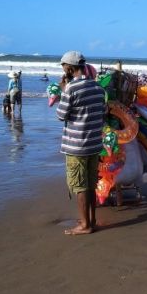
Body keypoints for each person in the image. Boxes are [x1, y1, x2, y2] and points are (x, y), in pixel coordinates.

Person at [56, 51, 105, 235]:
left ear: (69, 68)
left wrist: (63, 90)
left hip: (77, 146)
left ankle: (85, 225)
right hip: (94, 144)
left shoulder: (71, 89)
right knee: (91, 185)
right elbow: (101, 115)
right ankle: (91, 220)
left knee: (79, 186)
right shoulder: (98, 88)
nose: (63, 70)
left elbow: (61, 115)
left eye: (63, 67)